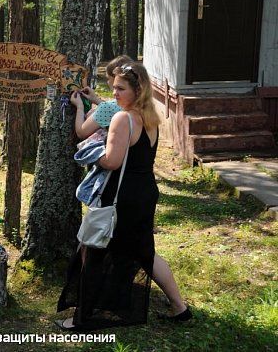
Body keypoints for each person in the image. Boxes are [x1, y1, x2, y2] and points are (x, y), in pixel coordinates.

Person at [56, 62, 191, 331]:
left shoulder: (122, 118)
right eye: (114, 87)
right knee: (144, 253)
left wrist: (92, 149)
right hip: (144, 192)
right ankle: (180, 308)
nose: (114, 93)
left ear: (137, 90)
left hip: (120, 195)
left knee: (92, 251)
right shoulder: (149, 117)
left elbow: (111, 162)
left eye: (120, 88)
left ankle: (84, 318)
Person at [73, 55, 132, 139]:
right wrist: (96, 99)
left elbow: (81, 132)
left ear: (116, 79)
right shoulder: (140, 104)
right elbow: (112, 109)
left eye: (108, 78)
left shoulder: (107, 108)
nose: (108, 82)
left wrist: (79, 107)